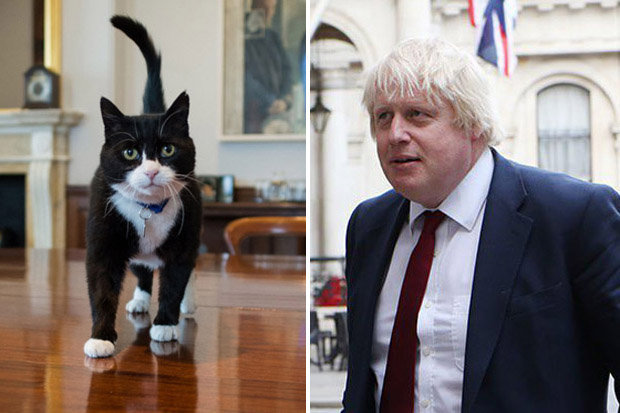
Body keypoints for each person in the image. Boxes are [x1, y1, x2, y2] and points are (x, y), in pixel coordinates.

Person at [342, 38, 619, 413]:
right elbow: (363, 387)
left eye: (417, 114)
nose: (395, 134)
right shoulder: (368, 226)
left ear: (472, 124)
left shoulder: (574, 216)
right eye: (383, 117)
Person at [243, 0, 292, 133]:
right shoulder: (244, 37)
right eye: (264, 9)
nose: (269, 13)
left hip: (277, 111)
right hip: (254, 112)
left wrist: (283, 100)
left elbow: (287, 70)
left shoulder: (274, 38)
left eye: (271, 9)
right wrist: (269, 100)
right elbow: (244, 76)